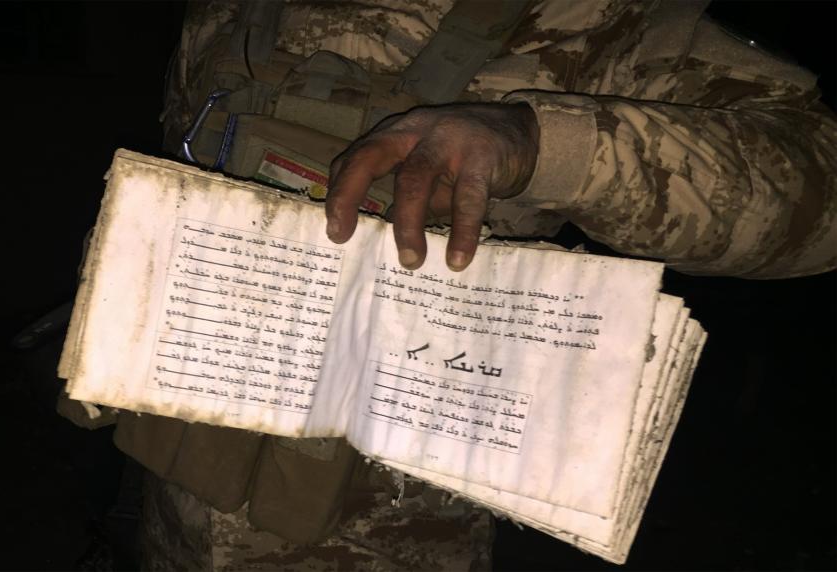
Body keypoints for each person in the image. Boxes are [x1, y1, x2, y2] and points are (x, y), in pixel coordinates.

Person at [73, 0, 837, 569]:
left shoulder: (590, 17)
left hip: (387, 528)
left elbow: (818, 197)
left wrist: (539, 143)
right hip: (176, 486)